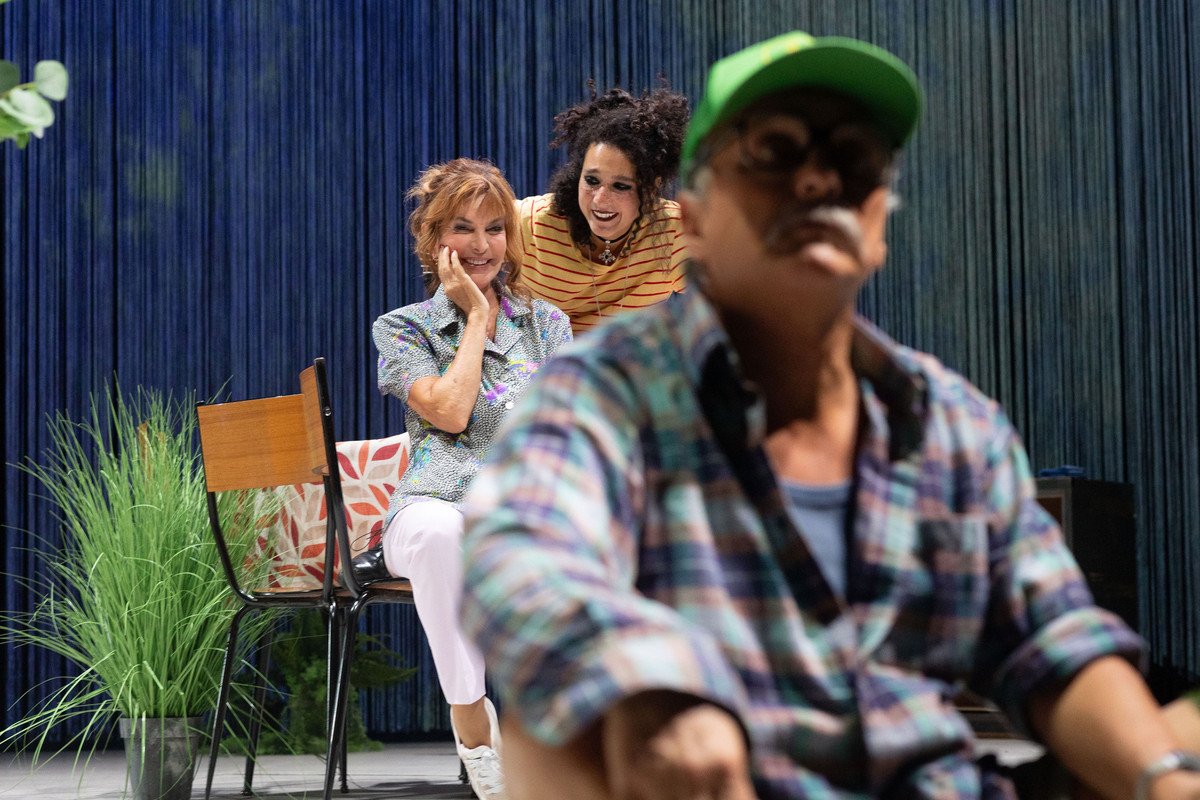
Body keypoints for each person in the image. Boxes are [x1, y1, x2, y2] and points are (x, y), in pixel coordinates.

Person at [459, 33, 1200, 800]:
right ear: (698, 221)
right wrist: (656, 695)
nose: (818, 180)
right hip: (721, 778)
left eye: (853, 161)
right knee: (555, 740)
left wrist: (1161, 775)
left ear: (877, 220)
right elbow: (521, 561)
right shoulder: (605, 393)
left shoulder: (948, 424)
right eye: (775, 154)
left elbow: (1052, 638)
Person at [350, 158, 572, 800]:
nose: (481, 245)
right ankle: (472, 720)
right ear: (432, 240)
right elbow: (449, 412)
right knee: (440, 534)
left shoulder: (547, 325)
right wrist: (475, 319)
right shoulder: (402, 328)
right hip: (432, 504)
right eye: (463, 228)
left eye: (495, 228)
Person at [517, 83, 690, 333]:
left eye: (620, 186)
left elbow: (727, 306)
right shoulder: (531, 222)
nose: (600, 200)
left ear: (651, 188)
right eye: (591, 181)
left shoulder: (671, 230)